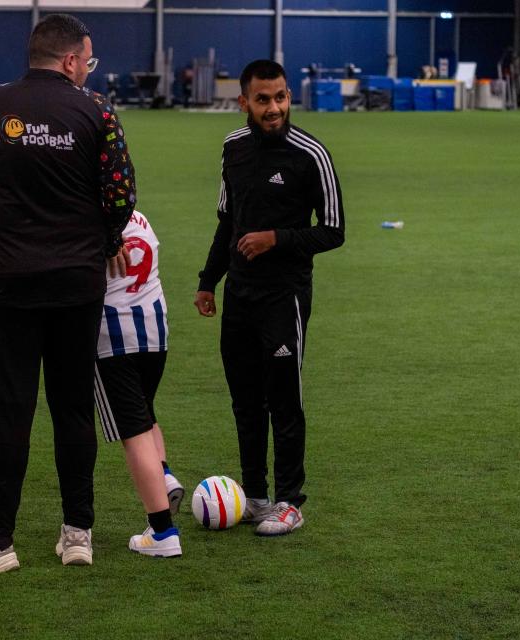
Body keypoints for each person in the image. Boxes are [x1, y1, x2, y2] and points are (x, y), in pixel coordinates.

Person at [0, 13, 136, 573]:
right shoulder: (97, 110)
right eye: (87, 61)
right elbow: (120, 196)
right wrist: (97, 238)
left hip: (8, 282)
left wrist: (18, 210)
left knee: (11, 412)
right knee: (73, 408)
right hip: (77, 283)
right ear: (71, 61)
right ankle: (78, 533)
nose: (88, 69)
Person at [194, 60, 345, 537]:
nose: (274, 107)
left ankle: (290, 501)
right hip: (239, 295)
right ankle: (256, 497)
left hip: (285, 296)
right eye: (263, 99)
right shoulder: (233, 147)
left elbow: (334, 231)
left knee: (284, 400)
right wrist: (208, 281)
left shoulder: (311, 154)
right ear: (244, 102)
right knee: (245, 400)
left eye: (280, 97)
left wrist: (276, 239)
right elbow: (227, 221)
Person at [95, 210, 183, 558]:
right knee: (144, 412)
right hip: (155, 330)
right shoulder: (140, 218)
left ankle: (162, 532)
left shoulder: (91, 221)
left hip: (114, 336)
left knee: (132, 432)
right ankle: (164, 474)